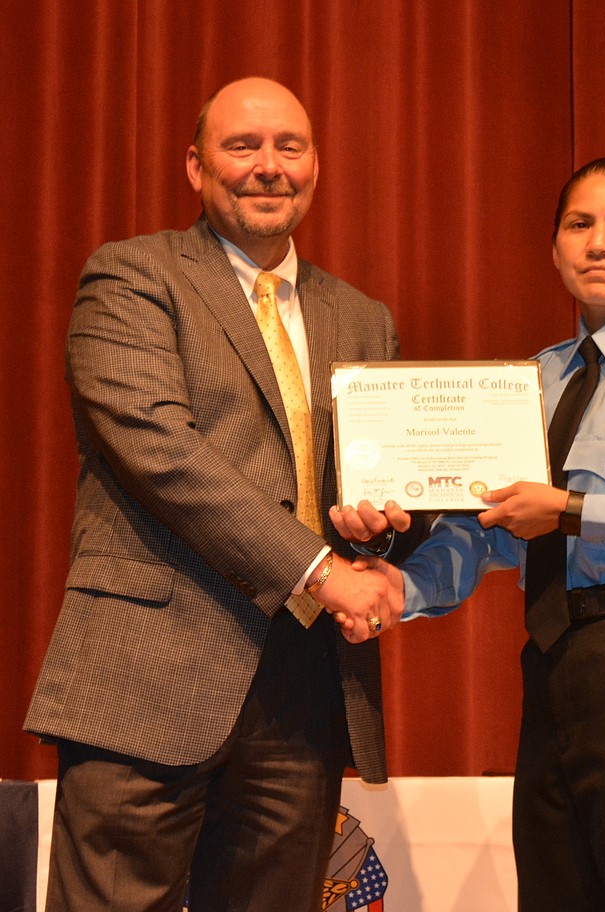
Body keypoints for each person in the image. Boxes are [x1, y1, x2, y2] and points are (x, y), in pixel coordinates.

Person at [332, 158, 605, 912]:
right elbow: (491, 532)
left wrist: (569, 511)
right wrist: (403, 585)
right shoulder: (532, 380)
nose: (598, 243)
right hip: (552, 669)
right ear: (555, 248)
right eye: (579, 224)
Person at [25, 76, 410, 912]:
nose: (268, 167)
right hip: (149, 678)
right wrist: (321, 569)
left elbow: (381, 486)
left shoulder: (363, 318)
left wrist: (381, 535)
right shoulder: (132, 278)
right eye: (243, 147)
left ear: (316, 167)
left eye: (289, 148)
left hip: (304, 691)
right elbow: (163, 452)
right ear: (196, 167)